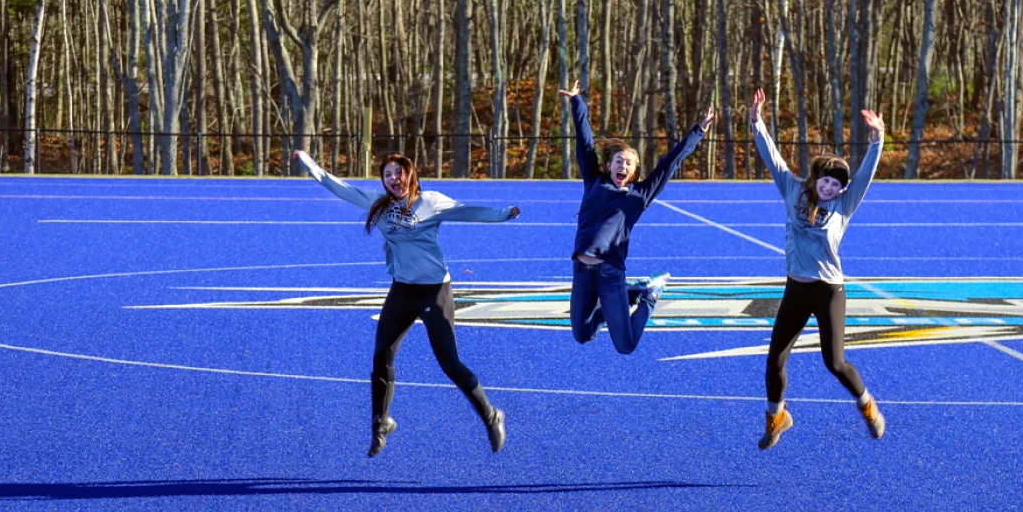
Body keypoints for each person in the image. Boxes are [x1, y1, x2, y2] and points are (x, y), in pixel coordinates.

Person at [294, 150, 518, 457]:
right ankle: (381, 422)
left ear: (410, 175)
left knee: (449, 363)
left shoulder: (431, 202)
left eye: (398, 173)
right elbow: (341, 188)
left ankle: (491, 416)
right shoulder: (380, 204)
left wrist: (502, 214)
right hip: (401, 290)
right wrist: (309, 164)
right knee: (381, 356)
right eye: (387, 175)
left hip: (434, 292)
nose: (393, 179)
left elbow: (466, 211)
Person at [746, 89, 887, 450]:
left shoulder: (845, 204)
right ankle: (777, 417)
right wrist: (757, 121)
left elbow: (866, 175)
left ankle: (867, 406)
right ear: (816, 177)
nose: (829, 186)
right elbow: (773, 158)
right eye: (826, 180)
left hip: (828, 291)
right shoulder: (793, 190)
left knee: (834, 362)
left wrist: (878, 138)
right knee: (775, 360)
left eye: (836, 184)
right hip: (796, 289)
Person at [560, 79, 716, 354]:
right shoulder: (594, 180)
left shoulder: (639, 194)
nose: (623, 165)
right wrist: (576, 102)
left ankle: (649, 296)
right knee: (582, 335)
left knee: (626, 345)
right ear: (609, 165)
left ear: (634, 172)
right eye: (619, 160)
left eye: (629, 163)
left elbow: (671, 162)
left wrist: (698, 131)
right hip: (582, 273)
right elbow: (584, 143)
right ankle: (634, 292)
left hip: (610, 274)